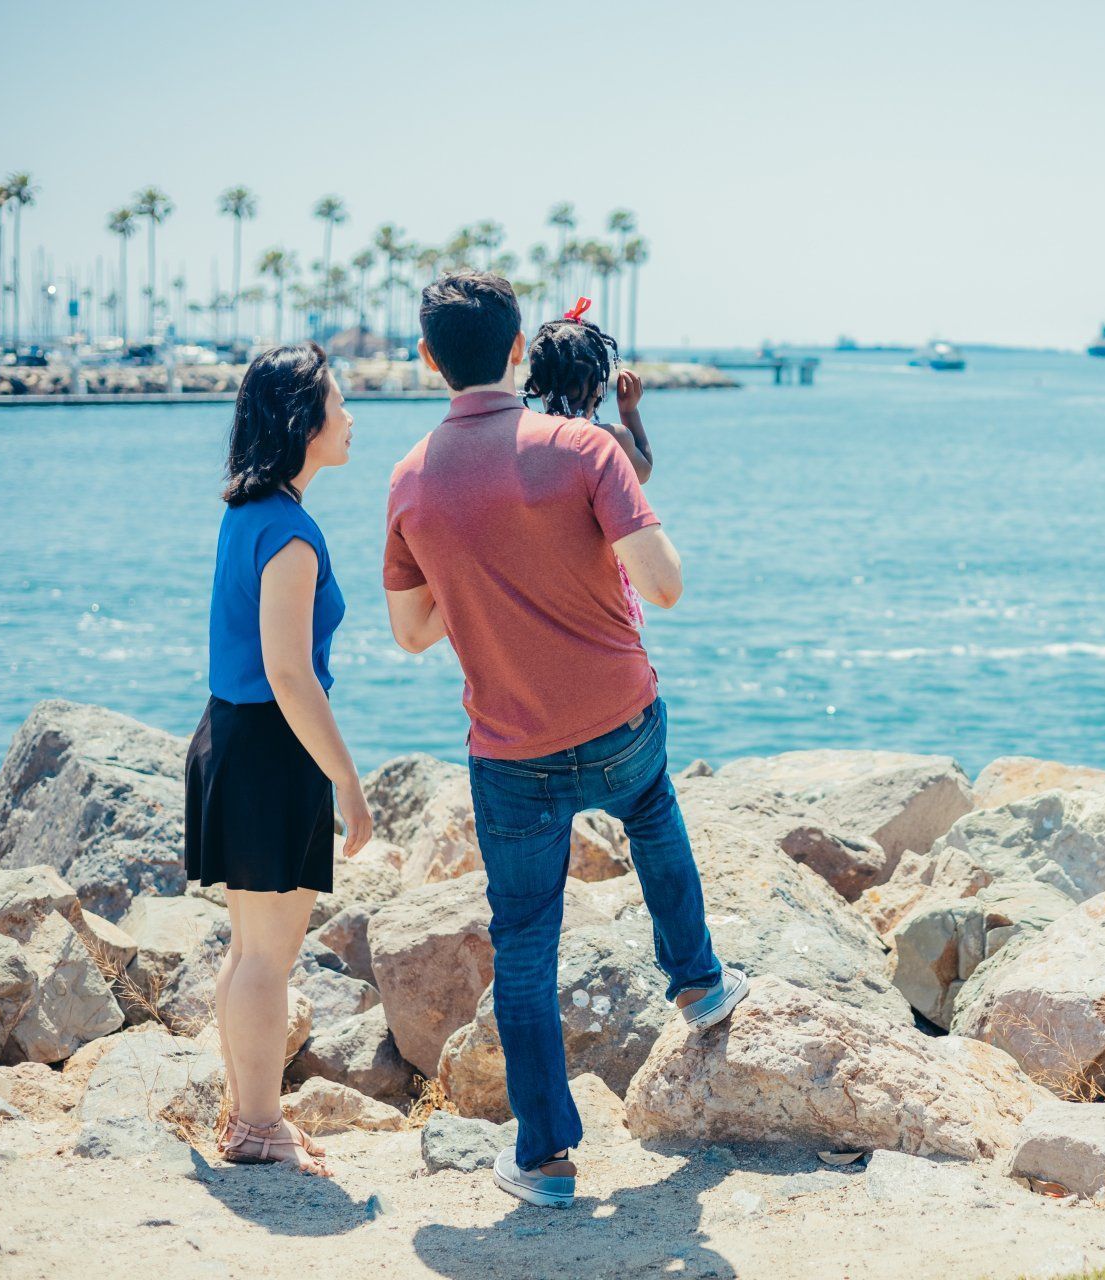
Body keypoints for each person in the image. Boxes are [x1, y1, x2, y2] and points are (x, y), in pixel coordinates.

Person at [382, 272, 746, 1209]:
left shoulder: (410, 479)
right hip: (620, 720)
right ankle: (699, 983)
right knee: (655, 814)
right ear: (517, 351)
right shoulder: (587, 449)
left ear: (429, 361)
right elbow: (663, 587)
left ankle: (544, 1157)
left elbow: (413, 633)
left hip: (511, 752)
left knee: (527, 947)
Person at [183, 343, 373, 1177]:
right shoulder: (291, 534)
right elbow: (290, 673)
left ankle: (247, 1115)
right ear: (304, 421)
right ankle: (260, 1127)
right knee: (267, 955)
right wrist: (349, 783)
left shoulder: (248, 512)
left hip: (232, 736)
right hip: (269, 747)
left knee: (248, 948)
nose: (351, 416)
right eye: (339, 401)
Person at [521, 297, 651, 625]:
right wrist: (629, 411)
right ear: (599, 386)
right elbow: (645, 470)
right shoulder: (612, 439)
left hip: (540, 584)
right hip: (597, 588)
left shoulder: (523, 439)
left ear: (535, 384)